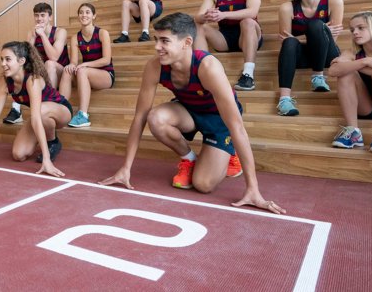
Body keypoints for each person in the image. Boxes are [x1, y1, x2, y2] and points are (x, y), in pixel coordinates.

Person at [99, 13, 284, 214]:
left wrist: (253, 189)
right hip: (189, 110)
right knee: (155, 117)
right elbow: (140, 117)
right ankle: (189, 158)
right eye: (156, 40)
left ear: (187, 42)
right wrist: (126, 168)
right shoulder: (155, 66)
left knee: (203, 185)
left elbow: (236, 126)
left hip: (218, 119)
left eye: (164, 41)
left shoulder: (208, 67)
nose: (157, 47)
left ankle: (231, 154)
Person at [0, 41, 71, 175]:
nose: (2, 64)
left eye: (7, 59)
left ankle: (53, 142)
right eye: (2, 59)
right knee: (18, 154)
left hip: (61, 110)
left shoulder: (33, 80)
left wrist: (47, 160)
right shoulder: (5, 81)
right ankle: (48, 137)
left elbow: (35, 117)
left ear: (21, 61)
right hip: (40, 114)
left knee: (40, 112)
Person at [277, 0, 344, 116]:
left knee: (315, 25)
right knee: (291, 41)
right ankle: (284, 100)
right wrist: (322, 32)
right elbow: (286, 40)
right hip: (301, 57)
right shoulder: (287, 7)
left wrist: (316, 32)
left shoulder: (334, 2)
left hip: (327, 55)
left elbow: (332, 40)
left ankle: (318, 77)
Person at [328, 11, 372, 153]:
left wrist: (354, 65)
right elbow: (332, 71)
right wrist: (367, 61)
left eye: (361, 28)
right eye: (352, 30)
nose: (355, 32)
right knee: (345, 74)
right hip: (365, 105)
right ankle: (353, 131)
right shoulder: (352, 53)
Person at [193, 0, 262, 91]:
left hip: (248, 36)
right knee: (199, 26)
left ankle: (248, 75)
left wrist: (223, 14)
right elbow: (197, 17)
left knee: (247, 21)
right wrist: (206, 16)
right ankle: (200, 74)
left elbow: (252, 11)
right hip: (225, 38)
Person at [2, 2, 69, 125]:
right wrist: (32, 38)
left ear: (50, 17)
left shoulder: (60, 32)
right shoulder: (32, 32)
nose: (39, 19)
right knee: (19, 68)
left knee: (49, 63)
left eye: (43, 15)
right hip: (42, 72)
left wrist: (42, 35)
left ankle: (48, 103)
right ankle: (16, 110)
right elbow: (25, 57)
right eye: (36, 15)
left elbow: (54, 56)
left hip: (60, 71)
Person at [60, 3, 114, 128]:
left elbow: (106, 60)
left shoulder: (102, 33)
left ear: (94, 16)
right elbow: (73, 61)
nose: (84, 15)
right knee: (67, 70)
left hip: (106, 74)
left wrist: (85, 65)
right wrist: (71, 65)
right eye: (81, 12)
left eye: (88, 12)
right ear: (78, 16)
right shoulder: (75, 38)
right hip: (87, 72)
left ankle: (83, 115)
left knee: (82, 70)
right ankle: (62, 110)